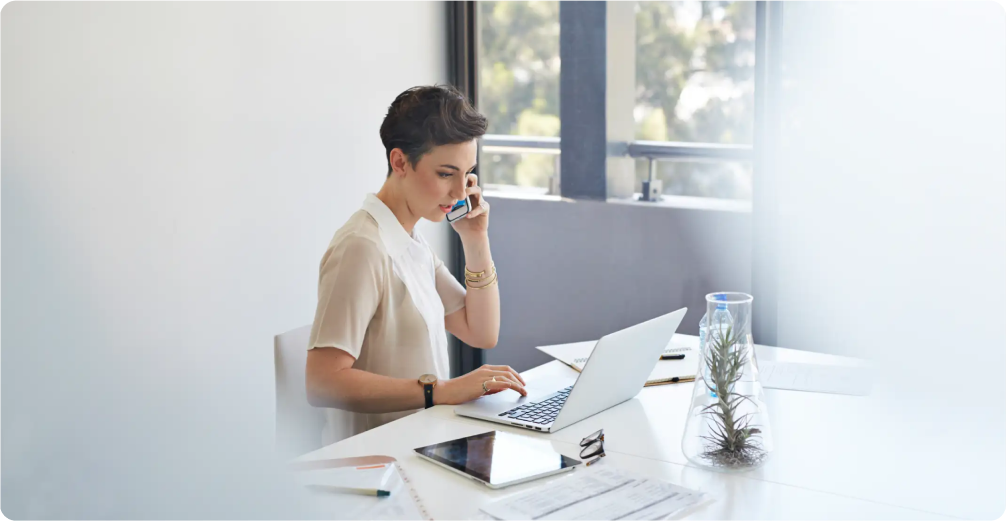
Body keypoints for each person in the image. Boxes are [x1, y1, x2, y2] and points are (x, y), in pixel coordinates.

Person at [305, 85, 527, 444]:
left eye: (466, 173)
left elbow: (480, 331)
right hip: (379, 463)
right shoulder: (361, 247)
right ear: (400, 162)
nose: (459, 192)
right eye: (445, 173)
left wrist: (475, 239)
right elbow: (321, 382)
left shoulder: (411, 241)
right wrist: (437, 391)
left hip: (424, 444)